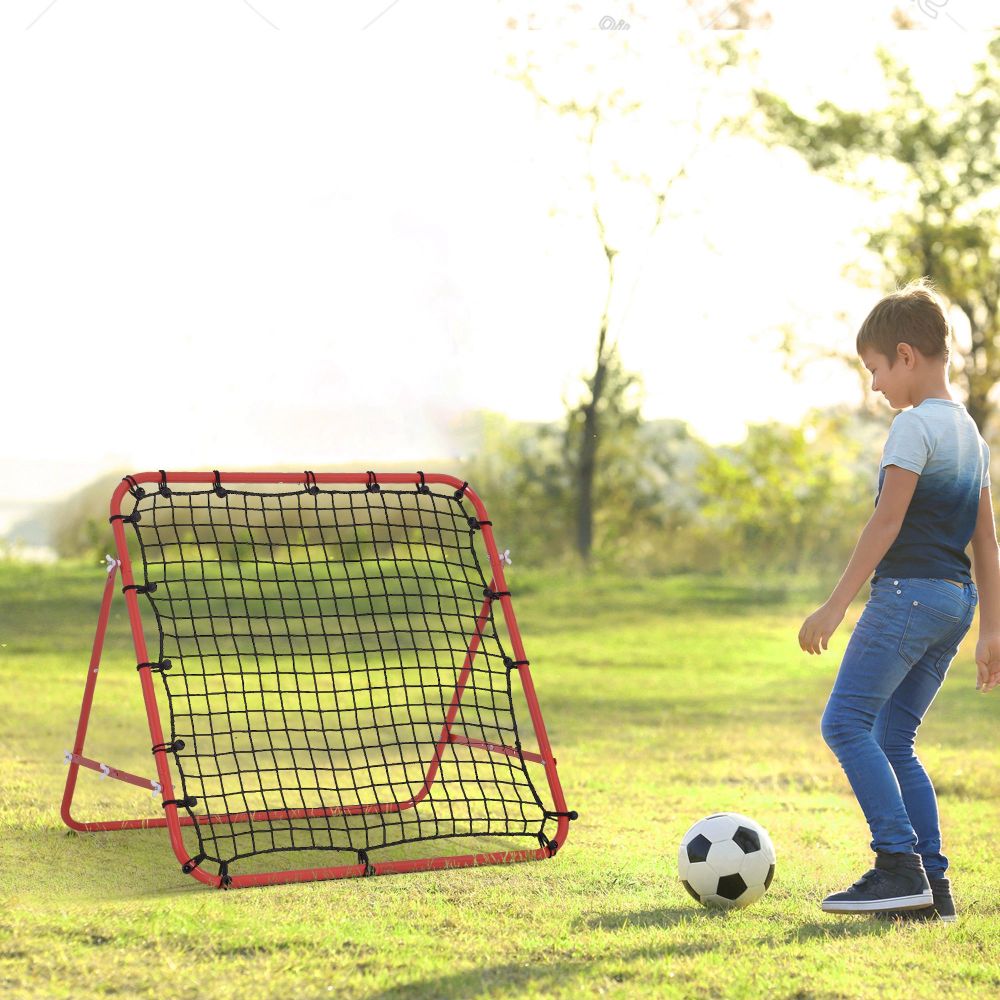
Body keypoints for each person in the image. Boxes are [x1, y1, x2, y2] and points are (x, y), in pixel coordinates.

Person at [797, 277, 1000, 923]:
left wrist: (834, 606)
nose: (876, 386)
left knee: (845, 724)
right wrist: (991, 629)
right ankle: (932, 890)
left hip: (909, 597)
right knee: (894, 737)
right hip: (955, 603)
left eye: (876, 370)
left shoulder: (915, 427)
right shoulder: (971, 434)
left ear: (906, 356)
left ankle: (897, 867)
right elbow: (987, 544)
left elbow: (885, 523)